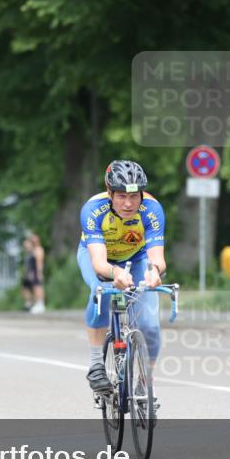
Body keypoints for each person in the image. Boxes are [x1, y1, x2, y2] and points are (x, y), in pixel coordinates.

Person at [78, 160, 166, 394]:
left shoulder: (152, 210)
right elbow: (99, 263)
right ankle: (97, 363)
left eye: (134, 197)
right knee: (101, 292)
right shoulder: (92, 210)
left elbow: (157, 256)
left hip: (136, 258)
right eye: (120, 197)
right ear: (109, 193)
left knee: (150, 325)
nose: (128, 204)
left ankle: (145, 381)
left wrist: (154, 271)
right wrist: (115, 272)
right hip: (97, 256)